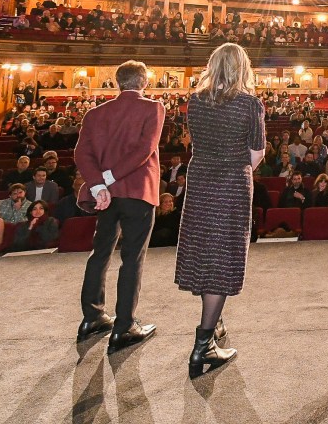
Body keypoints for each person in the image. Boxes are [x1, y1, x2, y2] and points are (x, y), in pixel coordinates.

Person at [174, 44, 264, 377]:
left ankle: (215, 323)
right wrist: (234, 168)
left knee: (203, 252)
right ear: (243, 68)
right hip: (230, 186)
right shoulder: (249, 104)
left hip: (199, 183)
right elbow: (256, 155)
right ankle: (203, 347)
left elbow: (196, 141)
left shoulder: (194, 101)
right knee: (222, 258)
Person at [76, 60, 165, 353]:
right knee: (132, 258)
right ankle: (124, 326)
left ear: (118, 82)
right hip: (138, 191)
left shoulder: (95, 113)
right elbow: (144, 150)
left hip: (105, 196)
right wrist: (110, 178)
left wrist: (98, 184)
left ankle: (92, 317)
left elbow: (82, 153)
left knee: (100, 252)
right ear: (143, 81)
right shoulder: (153, 108)